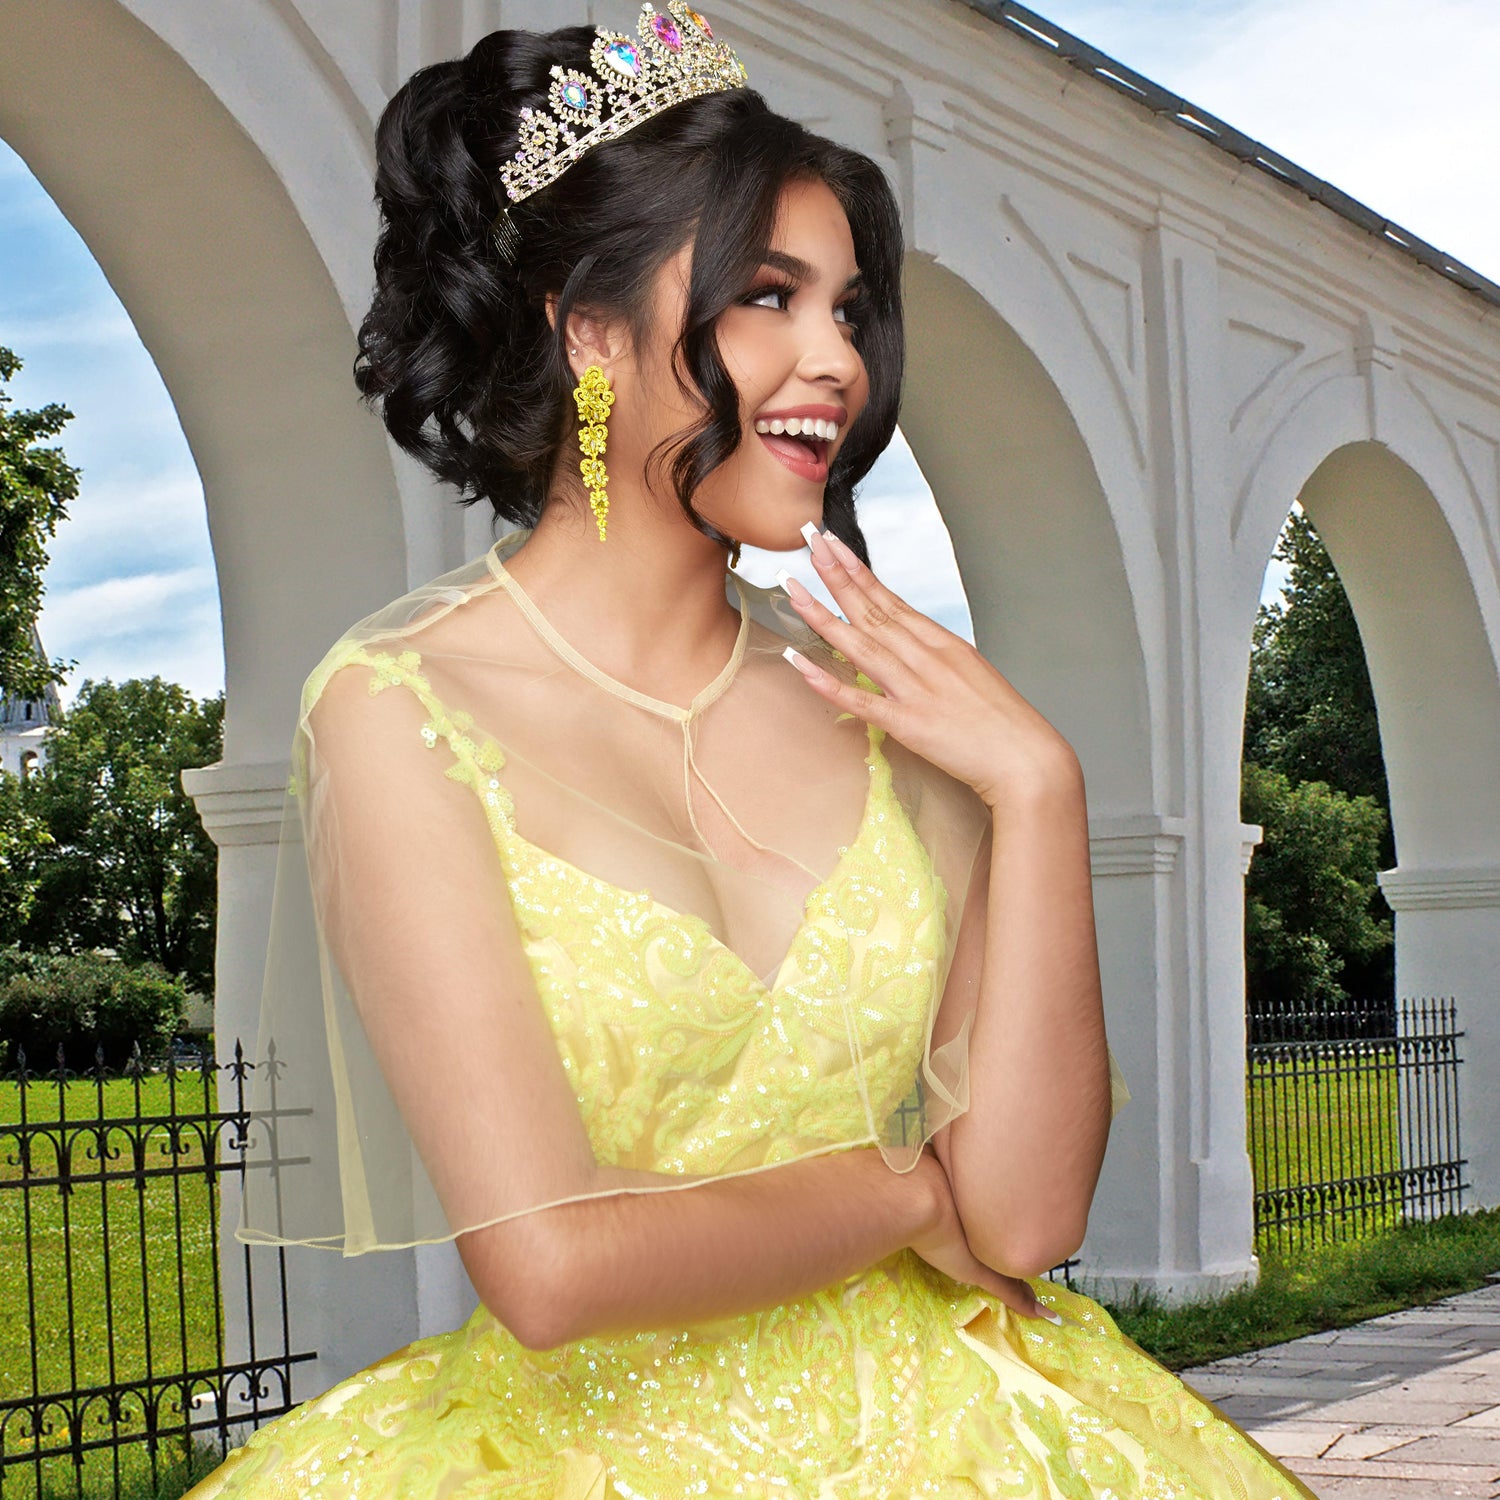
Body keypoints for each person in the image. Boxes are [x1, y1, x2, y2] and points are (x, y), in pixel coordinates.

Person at [187, 6, 1315, 1495]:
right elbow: (548, 1262)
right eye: (770, 297)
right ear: (587, 329)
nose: (834, 361)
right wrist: (901, 1196)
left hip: (966, 1436)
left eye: (848, 309)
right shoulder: (400, 706)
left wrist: (1040, 792)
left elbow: (1026, 1225)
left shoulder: (883, 708)